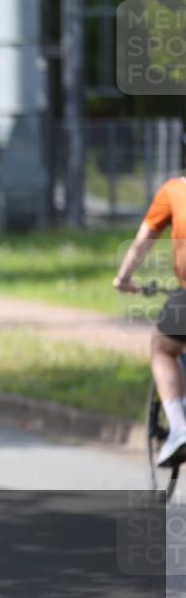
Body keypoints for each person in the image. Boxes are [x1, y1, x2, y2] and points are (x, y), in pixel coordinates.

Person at [115, 175, 186, 467]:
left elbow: (143, 240)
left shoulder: (175, 190)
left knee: (163, 347)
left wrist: (123, 278)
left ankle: (180, 429)